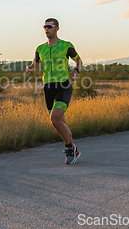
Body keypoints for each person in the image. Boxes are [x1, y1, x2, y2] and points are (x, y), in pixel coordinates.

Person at [26, 18, 83, 164]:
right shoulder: (40, 49)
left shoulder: (66, 45)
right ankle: (74, 149)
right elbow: (35, 65)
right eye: (44, 27)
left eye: (49, 27)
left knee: (55, 117)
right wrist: (30, 68)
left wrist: (77, 70)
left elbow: (78, 60)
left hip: (63, 85)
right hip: (48, 88)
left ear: (57, 28)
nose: (46, 29)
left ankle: (69, 149)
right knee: (58, 122)